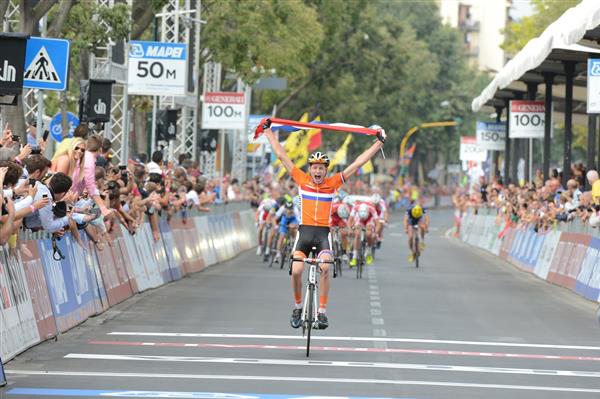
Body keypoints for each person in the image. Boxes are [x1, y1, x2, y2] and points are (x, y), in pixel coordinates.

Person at [263, 122, 386, 330]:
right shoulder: (301, 180)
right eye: (314, 167)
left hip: (322, 235)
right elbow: (282, 156)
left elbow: (356, 164)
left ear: (325, 170)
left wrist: (377, 144)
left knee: (326, 268)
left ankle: (321, 312)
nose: (317, 171)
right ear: (310, 169)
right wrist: (268, 132)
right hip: (304, 232)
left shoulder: (333, 183)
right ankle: (297, 307)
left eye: (321, 168)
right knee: (296, 270)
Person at [348, 201, 378, 266]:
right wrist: (350, 229)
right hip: (359, 220)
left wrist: (375, 232)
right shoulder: (355, 208)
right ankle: (354, 257)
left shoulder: (372, 210)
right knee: (357, 234)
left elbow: (377, 223)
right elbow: (350, 220)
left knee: (369, 234)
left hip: (369, 220)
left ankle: (369, 253)